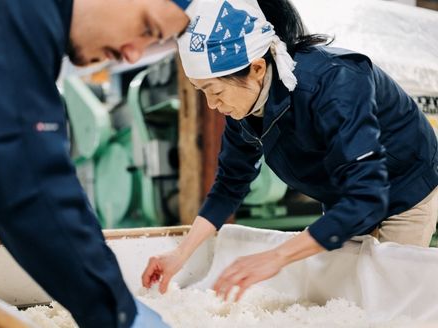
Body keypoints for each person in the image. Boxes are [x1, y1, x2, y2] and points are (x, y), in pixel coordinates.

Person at [142, 0, 438, 302]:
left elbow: (366, 197)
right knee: (342, 295)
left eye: (215, 91)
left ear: (257, 68)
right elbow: (229, 185)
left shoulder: (336, 82)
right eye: (201, 91)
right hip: (341, 194)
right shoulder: (243, 108)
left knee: (389, 296)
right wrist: (180, 255)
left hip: (403, 186)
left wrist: (277, 256)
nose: (212, 105)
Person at [0, 0, 192, 327]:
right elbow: (31, 179)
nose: (133, 55)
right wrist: (119, 313)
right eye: (147, 29)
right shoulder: (14, 11)